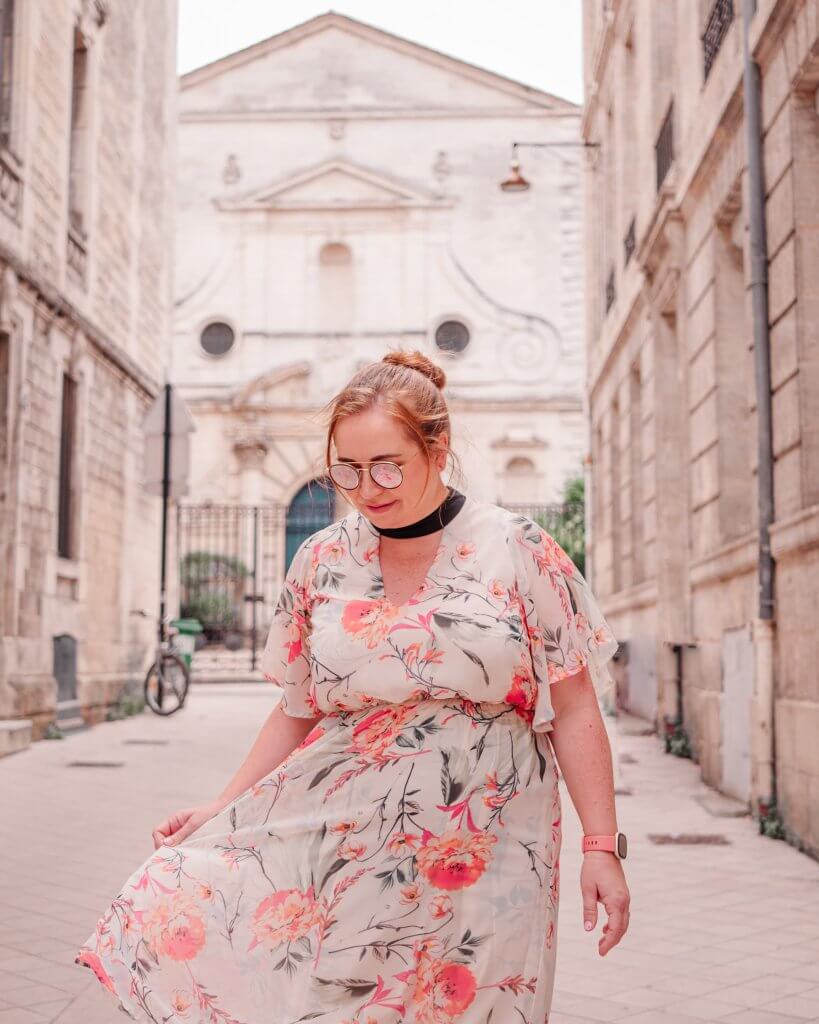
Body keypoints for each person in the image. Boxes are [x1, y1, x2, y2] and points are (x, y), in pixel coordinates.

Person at [75, 349, 630, 1024]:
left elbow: (572, 709)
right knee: (341, 1004)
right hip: (345, 842)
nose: (369, 487)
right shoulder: (321, 558)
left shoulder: (518, 549)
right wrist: (222, 807)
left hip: (490, 852)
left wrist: (600, 845)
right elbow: (296, 708)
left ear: (438, 449)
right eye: (347, 469)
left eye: (388, 464)